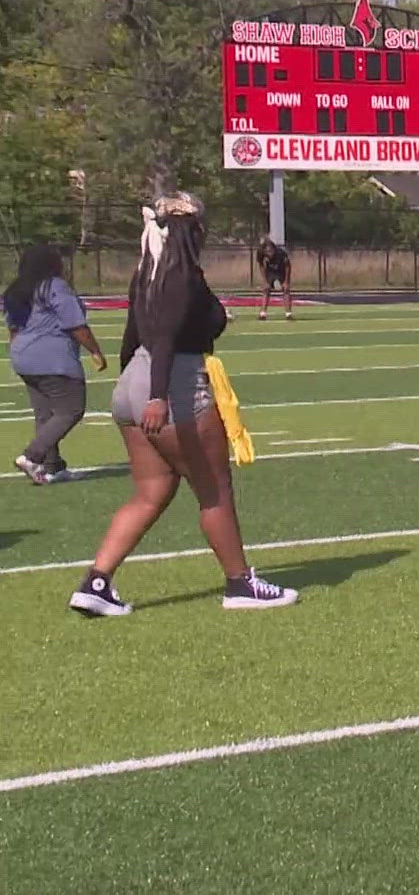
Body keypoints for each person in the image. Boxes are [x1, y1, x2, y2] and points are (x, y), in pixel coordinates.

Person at [69, 193, 295, 617]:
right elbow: (168, 335)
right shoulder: (181, 275)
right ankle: (240, 584)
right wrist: (155, 397)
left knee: (151, 493)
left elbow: (133, 334)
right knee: (214, 491)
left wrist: (133, 391)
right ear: (197, 231)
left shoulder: (148, 272)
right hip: (173, 383)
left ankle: (96, 583)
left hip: (136, 379)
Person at [6, 244, 108, 484]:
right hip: (52, 357)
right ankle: (33, 456)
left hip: (24, 356)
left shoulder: (16, 290)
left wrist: (19, 354)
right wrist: (95, 351)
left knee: (45, 414)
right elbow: (75, 324)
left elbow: (13, 326)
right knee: (70, 409)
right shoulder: (54, 287)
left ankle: (53, 467)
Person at [254, 237, 292, 321]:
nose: (269, 253)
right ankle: (263, 313)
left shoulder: (281, 253)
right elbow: (261, 266)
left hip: (281, 271)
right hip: (270, 272)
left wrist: (286, 281)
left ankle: (288, 313)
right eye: (267, 251)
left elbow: (287, 266)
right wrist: (265, 281)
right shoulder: (261, 254)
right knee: (266, 290)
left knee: (286, 289)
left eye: (270, 250)